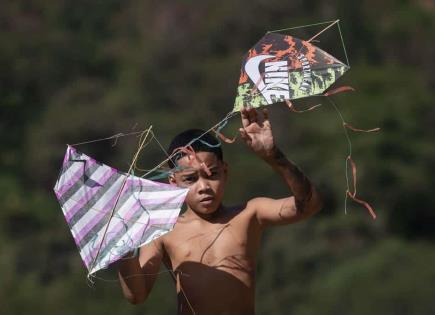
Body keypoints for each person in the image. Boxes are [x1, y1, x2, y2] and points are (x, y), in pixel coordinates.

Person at [118, 107, 322, 314]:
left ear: (225, 172)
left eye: (212, 174)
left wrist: (273, 155)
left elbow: (309, 205)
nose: (204, 186)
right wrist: (120, 243)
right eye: (190, 179)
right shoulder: (163, 231)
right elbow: (137, 294)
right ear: (173, 182)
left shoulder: (249, 214)